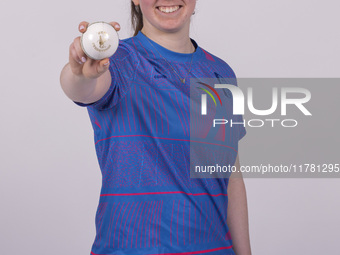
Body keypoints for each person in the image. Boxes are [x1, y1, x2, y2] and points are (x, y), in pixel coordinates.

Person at [60, 0, 251, 254]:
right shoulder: (115, 62)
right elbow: (81, 87)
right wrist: (80, 73)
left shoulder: (220, 72)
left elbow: (232, 178)